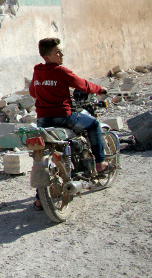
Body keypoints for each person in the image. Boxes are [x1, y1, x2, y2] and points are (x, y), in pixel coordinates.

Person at [29, 37, 110, 210]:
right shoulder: (61, 72)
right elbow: (82, 85)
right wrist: (99, 89)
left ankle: (39, 199)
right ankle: (100, 163)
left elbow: (32, 92)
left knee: (41, 155)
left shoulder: (37, 72)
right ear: (48, 56)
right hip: (63, 117)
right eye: (57, 52)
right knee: (94, 124)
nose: (61, 54)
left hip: (43, 120)